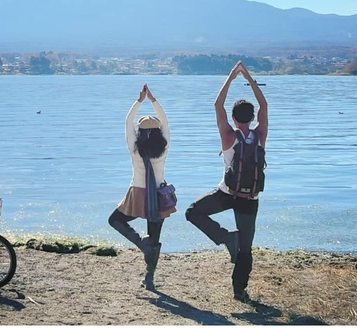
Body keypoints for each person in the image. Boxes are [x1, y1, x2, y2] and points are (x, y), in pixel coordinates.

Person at [185, 61, 268, 303]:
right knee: (246, 248)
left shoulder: (228, 135)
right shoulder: (260, 135)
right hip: (250, 200)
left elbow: (217, 104)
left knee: (192, 212)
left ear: (232, 118)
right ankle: (239, 291)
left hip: (226, 194)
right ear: (253, 118)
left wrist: (231, 77)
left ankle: (225, 237)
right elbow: (264, 104)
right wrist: (250, 78)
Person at [108, 83, 176, 289]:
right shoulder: (163, 147)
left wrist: (139, 101)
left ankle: (140, 242)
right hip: (159, 195)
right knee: (155, 238)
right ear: (158, 133)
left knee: (115, 220)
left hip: (138, 194)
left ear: (139, 132)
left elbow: (128, 122)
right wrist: (153, 100)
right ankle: (149, 277)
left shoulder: (134, 149)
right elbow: (165, 121)